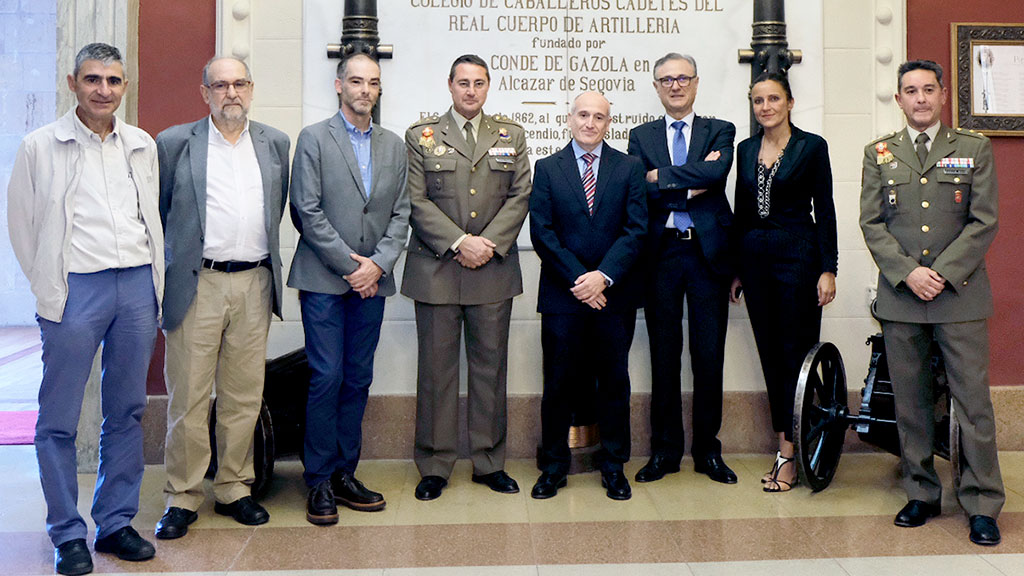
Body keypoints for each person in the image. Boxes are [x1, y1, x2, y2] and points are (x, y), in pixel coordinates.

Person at [7, 43, 163, 575]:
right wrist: (51, 286)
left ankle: (115, 523)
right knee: (58, 419)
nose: (103, 90)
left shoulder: (140, 144)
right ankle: (67, 533)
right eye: (93, 79)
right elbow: (23, 227)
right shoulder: (40, 146)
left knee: (127, 410)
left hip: (136, 287)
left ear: (125, 86)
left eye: (114, 81)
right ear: (72, 83)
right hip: (76, 289)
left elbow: (150, 218)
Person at [860, 59, 1004, 545]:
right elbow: (872, 224)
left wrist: (939, 273)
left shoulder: (973, 148)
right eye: (909, 90)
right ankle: (921, 492)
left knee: (974, 405)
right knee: (911, 403)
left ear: (943, 95)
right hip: (903, 298)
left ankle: (983, 502)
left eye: (927, 89)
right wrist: (909, 273)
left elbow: (984, 221)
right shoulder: (878, 153)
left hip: (958, 297)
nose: (919, 98)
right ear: (897, 99)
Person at [155, 56, 289, 538]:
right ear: (204, 91)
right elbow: (163, 211)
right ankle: (183, 495)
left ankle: (234, 486)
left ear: (251, 89)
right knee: (188, 397)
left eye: (239, 83)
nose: (231, 92)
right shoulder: (173, 143)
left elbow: (277, 208)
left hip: (254, 281)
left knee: (242, 395)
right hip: (198, 283)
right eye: (221, 85)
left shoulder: (275, 143)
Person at [401, 54, 531, 501]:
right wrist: (460, 242)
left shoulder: (510, 135)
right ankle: (435, 465)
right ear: (450, 86)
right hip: (437, 269)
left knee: (489, 370)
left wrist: (486, 243)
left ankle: (488, 461)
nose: (470, 90)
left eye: (478, 83)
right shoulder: (421, 136)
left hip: (491, 269)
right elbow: (415, 201)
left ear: (488, 87)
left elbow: (519, 195)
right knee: (436, 373)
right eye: (463, 83)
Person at [288, 53, 410, 525]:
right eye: (355, 81)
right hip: (324, 280)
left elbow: (402, 213)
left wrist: (376, 266)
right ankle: (317, 479)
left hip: (371, 284)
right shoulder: (315, 138)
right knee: (327, 376)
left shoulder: (394, 145)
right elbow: (307, 210)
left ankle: (344, 473)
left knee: (358, 377)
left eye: (372, 82)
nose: (364, 89)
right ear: (339, 86)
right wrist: (350, 267)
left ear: (379, 89)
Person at [529, 92, 648, 501]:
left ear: (608, 123)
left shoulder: (630, 167)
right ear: (569, 118)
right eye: (583, 115)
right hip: (564, 295)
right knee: (559, 382)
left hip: (614, 296)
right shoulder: (547, 168)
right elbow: (542, 233)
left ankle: (613, 466)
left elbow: (636, 230)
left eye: (599, 117)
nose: (590, 123)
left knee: (614, 381)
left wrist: (604, 277)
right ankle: (554, 467)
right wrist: (582, 279)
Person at [627, 53, 737, 484]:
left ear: (696, 83)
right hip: (662, 256)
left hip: (708, 255)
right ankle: (665, 452)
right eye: (666, 79)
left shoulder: (720, 129)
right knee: (664, 355)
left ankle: (709, 451)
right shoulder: (641, 135)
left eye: (683, 78)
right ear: (656, 87)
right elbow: (640, 186)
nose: (675, 85)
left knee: (709, 356)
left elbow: (719, 172)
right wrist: (692, 180)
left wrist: (663, 178)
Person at [729, 72, 838, 492]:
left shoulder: (812, 147)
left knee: (796, 357)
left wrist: (829, 268)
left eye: (774, 98)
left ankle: (793, 453)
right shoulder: (745, 149)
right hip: (755, 263)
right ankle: (784, 446)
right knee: (771, 357)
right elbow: (741, 212)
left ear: (790, 102)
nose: (766, 107)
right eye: (758, 100)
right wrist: (736, 270)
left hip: (799, 261)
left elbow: (824, 209)